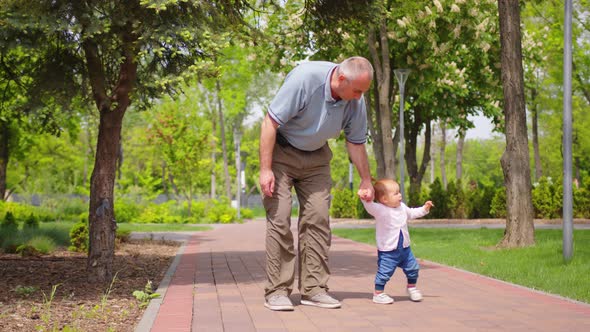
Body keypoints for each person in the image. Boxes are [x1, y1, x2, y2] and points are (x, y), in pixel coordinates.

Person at [259, 56, 375, 311]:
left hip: (317, 158)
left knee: (317, 220)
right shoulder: (305, 79)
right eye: (356, 91)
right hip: (282, 153)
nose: (358, 97)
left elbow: (355, 142)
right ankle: (277, 291)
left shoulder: (356, 99)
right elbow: (270, 121)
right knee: (279, 219)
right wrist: (266, 169)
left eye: (362, 92)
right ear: (341, 79)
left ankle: (314, 289)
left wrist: (366, 179)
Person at [360, 178, 434, 304]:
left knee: (413, 268)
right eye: (396, 193)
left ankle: (412, 288)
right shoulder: (380, 210)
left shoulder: (402, 208)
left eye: (399, 192)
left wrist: (425, 208)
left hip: (405, 249)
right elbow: (369, 206)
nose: (400, 195)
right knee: (384, 272)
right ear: (384, 199)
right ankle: (378, 293)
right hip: (388, 251)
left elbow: (412, 213)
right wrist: (364, 197)